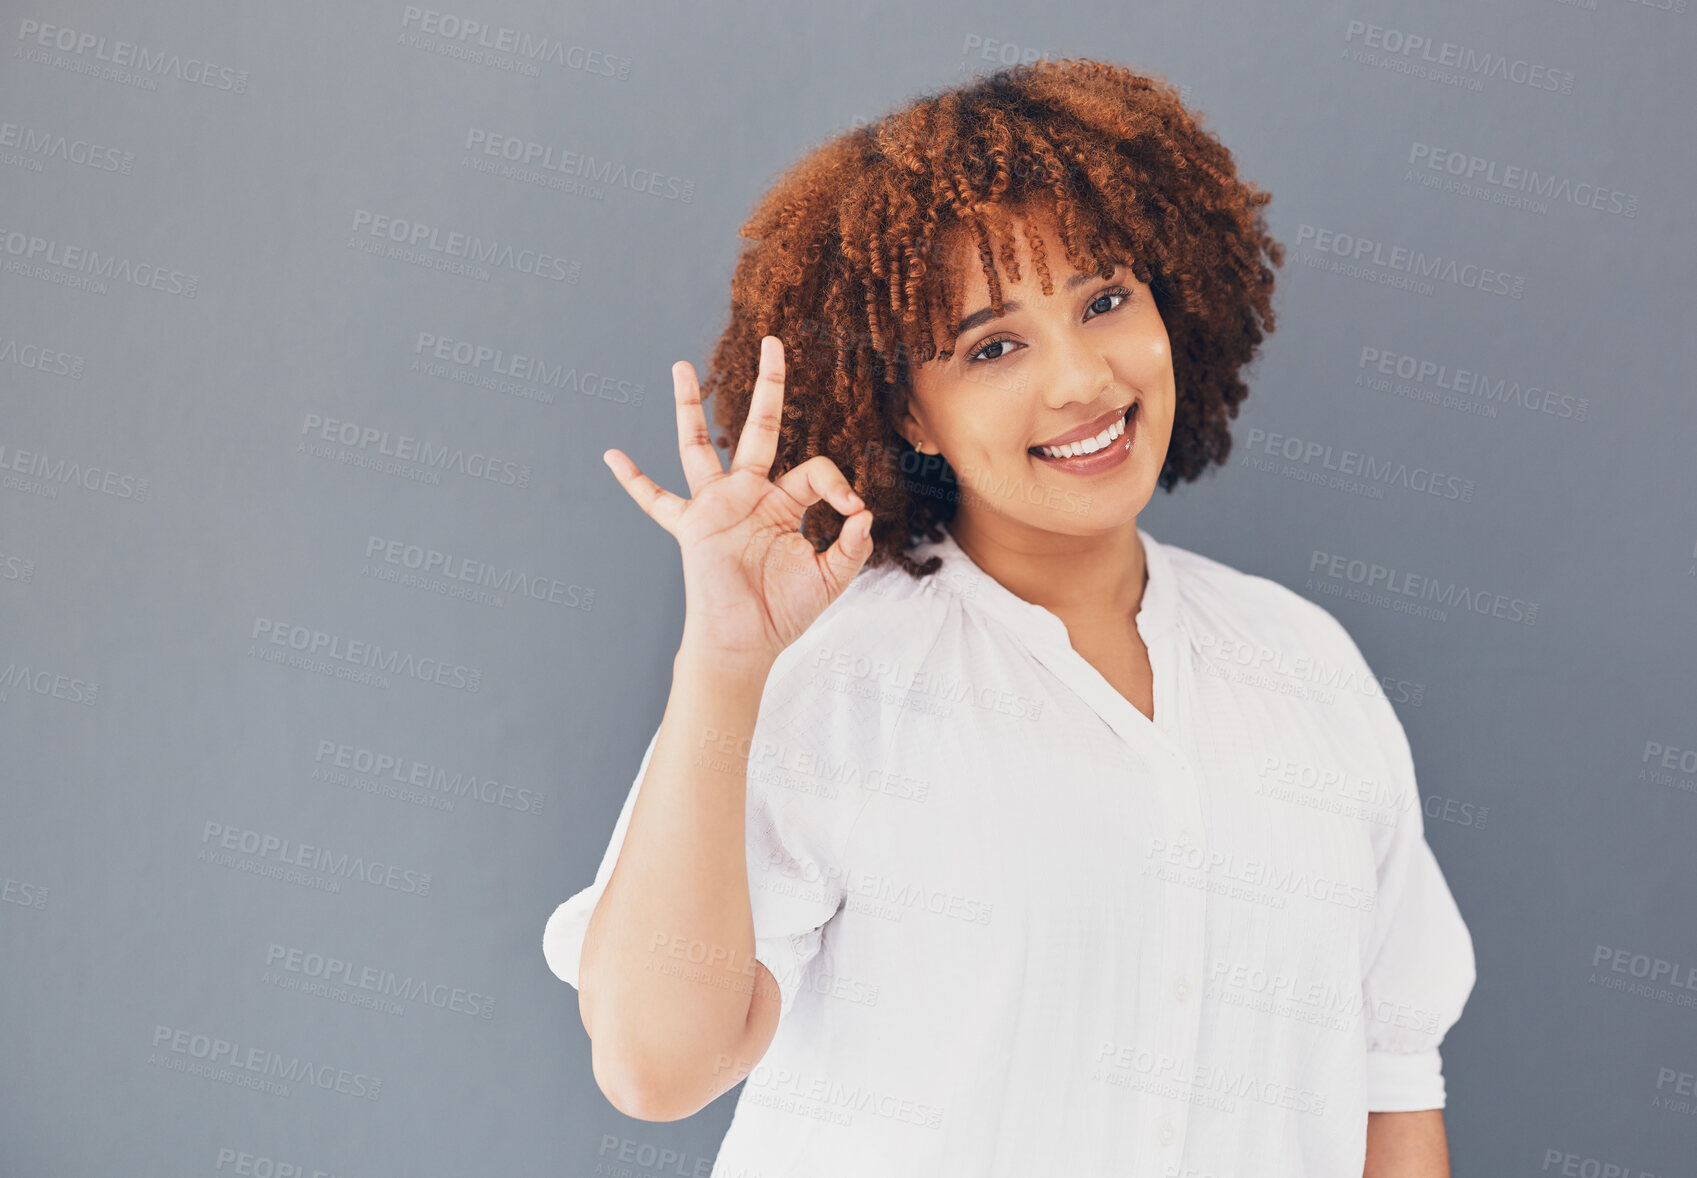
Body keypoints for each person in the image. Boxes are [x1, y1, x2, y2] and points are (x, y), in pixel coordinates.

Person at [543, 58, 1476, 1178]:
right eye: (991, 346)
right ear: (908, 411)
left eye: (1103, 300)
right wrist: (724, 664)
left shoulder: (1303, 664)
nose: (1079, 378)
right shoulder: (835, 671)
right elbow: (655, 1066)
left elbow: (1389, 1085)